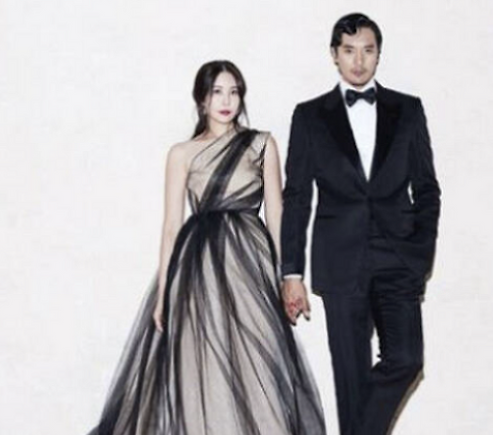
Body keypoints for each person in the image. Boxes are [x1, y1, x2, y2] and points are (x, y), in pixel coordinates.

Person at [88, 60, 325, 435]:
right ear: (201, 100)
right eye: (217, 92)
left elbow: (276, 215)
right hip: (198, 267)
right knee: (200, 366)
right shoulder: (181, 153)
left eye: (234, 92)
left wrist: (287, 278)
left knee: (260, 363)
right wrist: (163, 295)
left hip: (250, 265)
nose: (226, 101)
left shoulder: (261, 144)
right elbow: (171, 226)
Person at [280, 13, 441, 435]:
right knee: (350, 382)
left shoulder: (408, 110)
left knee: (406, 359)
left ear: (378, 55)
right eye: (349, 51)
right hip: (340, 259)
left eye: (367, 50)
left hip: (398, 256)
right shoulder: (310, 116)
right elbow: (296, 197)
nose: (358, 60)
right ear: (334, 55)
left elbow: (427, 189)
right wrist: (291, 273)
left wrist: (421, 250)